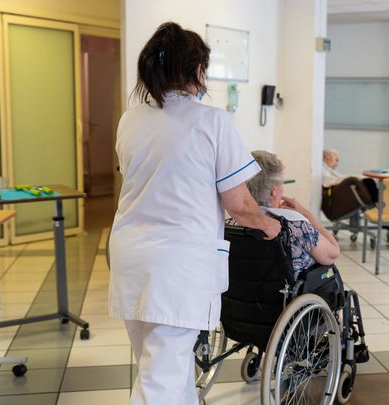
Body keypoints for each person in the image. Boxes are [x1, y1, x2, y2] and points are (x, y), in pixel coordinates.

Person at [108, 22, 280, 405]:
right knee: (162, 378)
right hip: (178, 264)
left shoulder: (131, 119)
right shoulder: (212, 121)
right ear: (196, 69)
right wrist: (269, 224)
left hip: (130, 255)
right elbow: (239, 204)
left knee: (163, 364)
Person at [246, 150, 340, 275]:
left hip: (246, 291)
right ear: (274, 190)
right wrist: (307, 215)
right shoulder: (296, 225)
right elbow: (333, 253)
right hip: (291, 292)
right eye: (281, 184)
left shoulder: (235, 221)